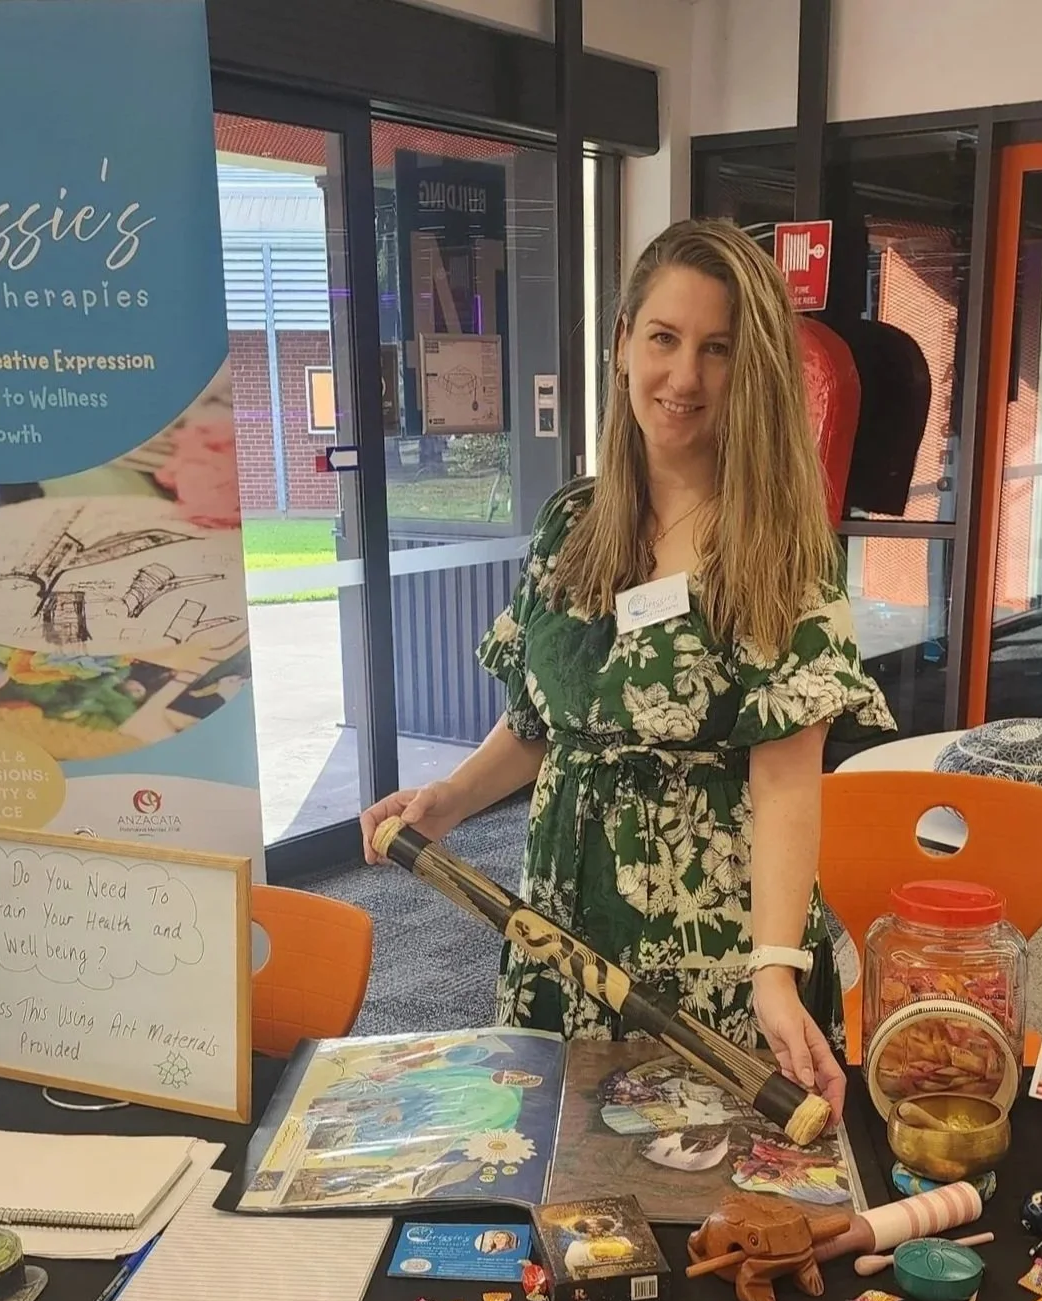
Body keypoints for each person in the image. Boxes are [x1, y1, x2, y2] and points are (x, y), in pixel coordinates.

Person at [360, 218, 895, 1122]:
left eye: (716, 349)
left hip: (711, 930)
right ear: (621, 347)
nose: (683, 376)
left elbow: (786, 777)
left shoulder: (780, 542)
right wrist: (445, 800)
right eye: (663, 338)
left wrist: (774, 971)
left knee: (705, 1182)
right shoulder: (571, 521)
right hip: (565, 916)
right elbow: (539, 723)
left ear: (750, 368)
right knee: (563, 1166)